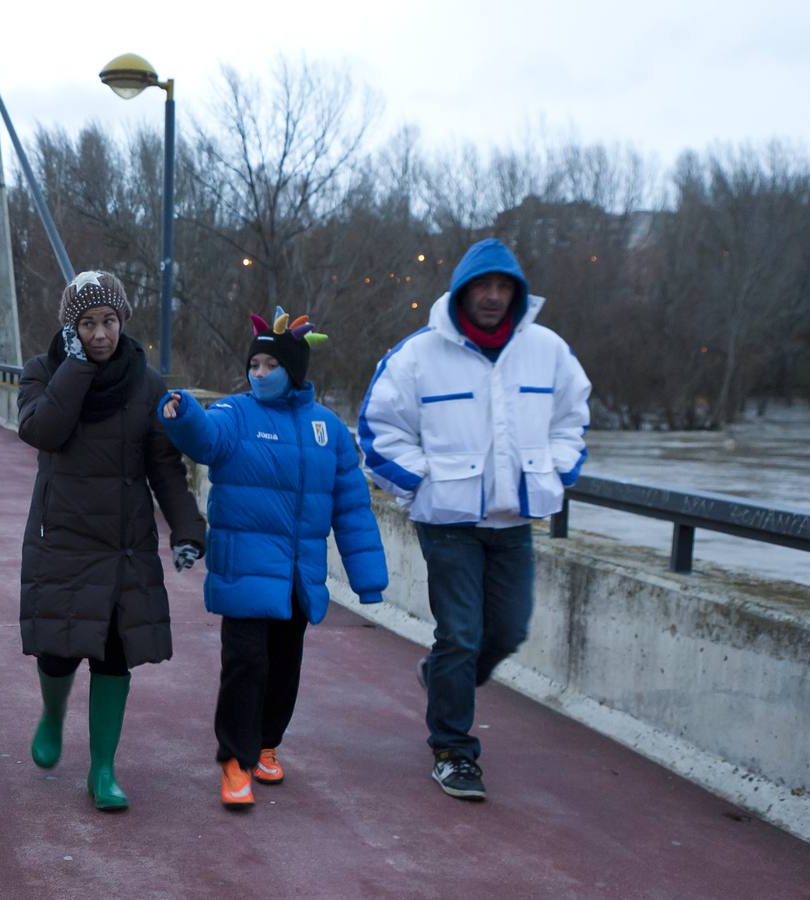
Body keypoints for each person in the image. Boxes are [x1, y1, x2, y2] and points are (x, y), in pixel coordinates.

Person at [358, 238, 591, 801]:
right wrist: (426, 483)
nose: (492, 297)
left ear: (516, 293)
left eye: (502, 287)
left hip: (513, 523)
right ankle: (454, 751)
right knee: (460, 634)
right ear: (462, 291)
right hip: (447, 523)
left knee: (509, 629)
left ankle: (442, 679)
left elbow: (572, 420)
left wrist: (556, 473)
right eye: (482, 287)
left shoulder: (548, 350)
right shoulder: (418, 354)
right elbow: (376, 431)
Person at [158, 308, 389, 810]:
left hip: (298, 580)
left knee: (285, 668)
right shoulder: (235, 414)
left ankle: (266, 745)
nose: (258, 374)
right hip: (244, 571)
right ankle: (235, 761)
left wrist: (367, 578)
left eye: (270, 365)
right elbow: (205, 437)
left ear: (294, 370)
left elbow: (352, 508)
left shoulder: (328, 429)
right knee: (245, 664)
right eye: (254, 365)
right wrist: (183, 415)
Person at [17, 270, 205, 811]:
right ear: (72, 328)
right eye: (89, 323)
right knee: (57, 648)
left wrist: (188, 531)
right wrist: (74, 366)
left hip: (124, 541)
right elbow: (42, 431)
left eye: (109, 321)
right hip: (64, 537)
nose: (101, 334)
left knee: (114, 656)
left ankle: (103, 769)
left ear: (123, 321)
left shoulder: (146, 383)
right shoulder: (42, 372)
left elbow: (165, 469)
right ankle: (52, 716)